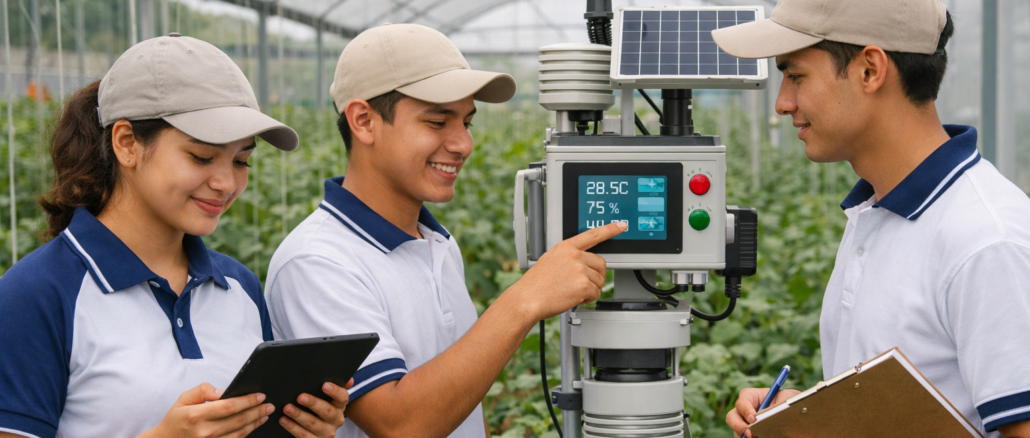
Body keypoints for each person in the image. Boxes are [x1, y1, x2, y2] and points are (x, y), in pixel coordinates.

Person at [264, 23, 625, 438]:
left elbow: (462, 400)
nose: (463, 144)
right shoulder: (318, 262)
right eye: (437, 122)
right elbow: (400, 425)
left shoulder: (437, 243)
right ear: (363, 121)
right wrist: (526, 299)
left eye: (466, 123)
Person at [0, 34, 351, 438]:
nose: (226, 182)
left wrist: (303, 429)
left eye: (241, 161)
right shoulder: (35, 295)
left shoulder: (239, 286)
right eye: (201, 156)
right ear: (127, 143)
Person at [711, 0, 1030, 437]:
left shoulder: (985, 241)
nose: (783, 104)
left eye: (796, 75)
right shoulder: (879, 211)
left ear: (870, 70)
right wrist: (810, 414)